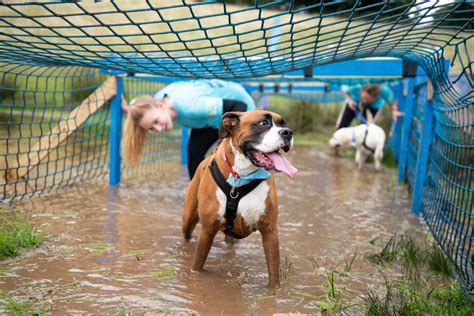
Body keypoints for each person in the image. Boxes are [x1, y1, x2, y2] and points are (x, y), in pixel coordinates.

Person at [121, 79, 255, 179]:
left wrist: (225, 140)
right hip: (210, 119)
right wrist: (129, 110)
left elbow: (239, 105)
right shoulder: (154, 103)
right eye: (152, 128)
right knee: (194, 152)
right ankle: (198, 194)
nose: (158, 128)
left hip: (241, 109)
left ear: (160, 105)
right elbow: (143, 110)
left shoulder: (191, 107)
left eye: (156, 121)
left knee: (229, 154)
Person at [335, 83, 403, 129]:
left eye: (367, 99)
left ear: (376, 97)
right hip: (354, 101)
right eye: (363, 98)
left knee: (366, 127)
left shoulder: (384, 91)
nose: (364, 101)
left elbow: (392, 102)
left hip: (374, 106)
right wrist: (350, 101)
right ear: (362, 91)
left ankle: (362, 145)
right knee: (343, 123)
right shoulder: (357, 87)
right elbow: (346, 92)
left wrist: (394, 111)